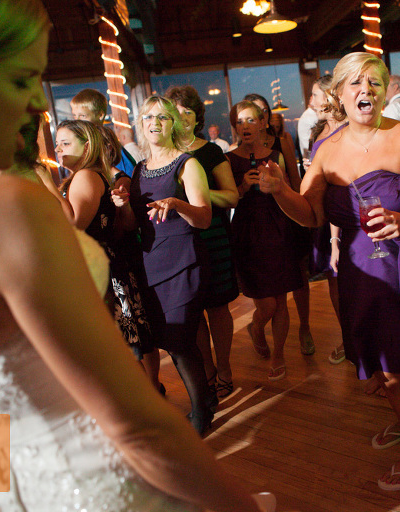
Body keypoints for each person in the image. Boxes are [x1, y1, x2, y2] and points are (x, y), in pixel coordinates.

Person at [0, 1, 271, 511]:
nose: (37, 107)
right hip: (87, 486)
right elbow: (136, 425)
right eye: (20, 80)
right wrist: (238, 505)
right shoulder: (5, 211)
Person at [258, 52, 400, 491]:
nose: (366, 90)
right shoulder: (326, 150)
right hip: (356, 273)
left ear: (384, 92)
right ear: (339, 95)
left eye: (375, 82)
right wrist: (280, 190)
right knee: (381, 366)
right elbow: (311, 216)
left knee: (397, 367)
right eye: (356, 83)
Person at [111, 95, 217, 435]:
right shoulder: (139, 169)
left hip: (184, 261)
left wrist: (177, 203)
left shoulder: (187, 164)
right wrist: (123, 207)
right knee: (172, 341)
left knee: (180, 341)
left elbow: (204, 219)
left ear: (173, 124)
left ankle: (201, 412)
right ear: (141, 125)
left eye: (162, 117)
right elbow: (133, 224)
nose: (154, 123)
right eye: (148, 117)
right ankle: (207, 399)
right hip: (151, 263)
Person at [54, 120, 155, 360]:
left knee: (115, 355)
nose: (58, 149)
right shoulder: (84, 176)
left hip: (97, 269)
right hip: (103, 264)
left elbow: (74, 224)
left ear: (87, 146)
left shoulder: (86, 175)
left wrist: (45, 182)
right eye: (57, 144)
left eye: (65, 143)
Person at [165, 85, 239, 399]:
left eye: (188, 112)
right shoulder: (164, 154)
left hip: (213, 238)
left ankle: (224, 368)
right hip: (179, 242)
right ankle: (207, 371)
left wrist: (196, 192)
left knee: (218, 307)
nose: (182, 118)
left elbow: (232, 197)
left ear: (197, 118)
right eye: (176, 112)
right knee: (192, 312)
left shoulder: (210, 152)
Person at [227, 100, 303, 380]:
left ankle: (278, 354)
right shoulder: (228, 159)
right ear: (234, 127)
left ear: (262, 123)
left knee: (280, 300)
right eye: (239, 121)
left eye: (250, 120)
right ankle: (256, 327)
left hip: (277, 229)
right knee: (266, 304)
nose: (244, 126)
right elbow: (227, 200)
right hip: (247, 234)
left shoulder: (275, 156)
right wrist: (243, 186)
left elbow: (291, 191)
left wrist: (277, 184)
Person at [244, 93, 316, 355]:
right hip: (259, 223)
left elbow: (295, 180)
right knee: (276, 287)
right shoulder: (240, 148)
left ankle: (304, 328)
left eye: (263, 112)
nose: (259, 118)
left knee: (300, 276)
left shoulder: (281, 140)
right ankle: (265, 334)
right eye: (252, 114)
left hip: (286, 216)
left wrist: (304, 213)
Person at [304, 75, 347, 365]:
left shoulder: (348, 129)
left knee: (351, 279)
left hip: (344, 212)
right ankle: (348, 336)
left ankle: (361, 338)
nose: (311, 101)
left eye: (315, 95)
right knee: (334, 280)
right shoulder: (318, 131)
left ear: (332, 96)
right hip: (323, 214)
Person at [70, 88, 141, 176]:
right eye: (74, 116)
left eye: (83, 116)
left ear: (100, 115)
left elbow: (127, 173)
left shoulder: (107, 143)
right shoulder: (80, 142)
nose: (77, 121)